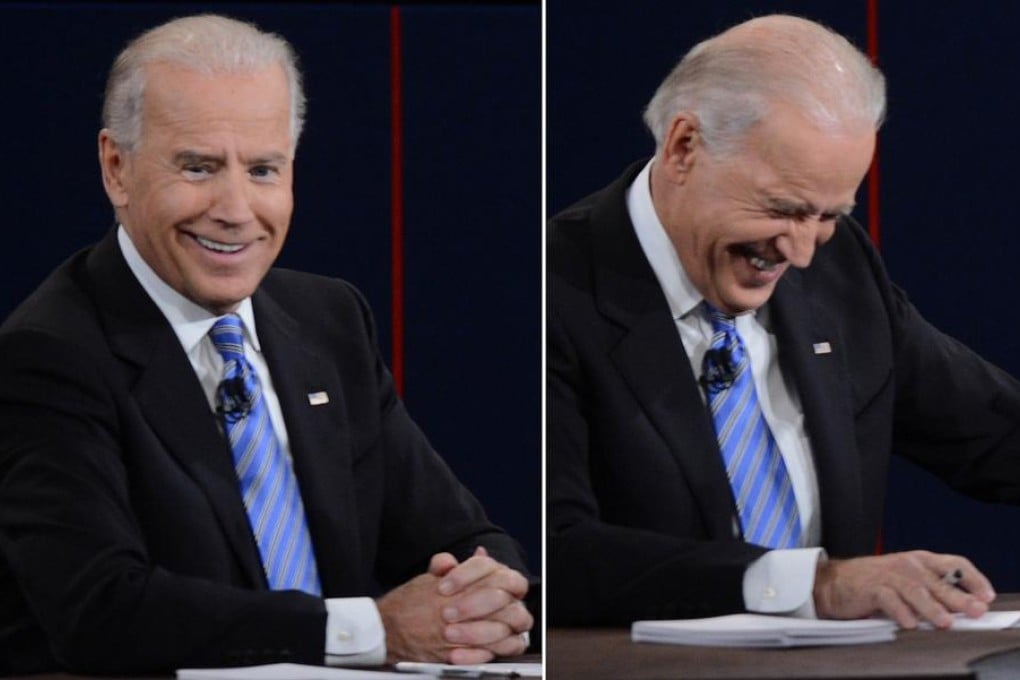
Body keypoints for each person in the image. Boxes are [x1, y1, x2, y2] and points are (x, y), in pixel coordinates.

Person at [0, 14, 533, 675]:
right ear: (117, 169)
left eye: (262, 169)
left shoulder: (329, 319)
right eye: (198, 167)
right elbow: (103, 611)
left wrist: (486, 596)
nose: (235, 208)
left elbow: (465, 539)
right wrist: (370, 630)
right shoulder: (49, 355)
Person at [547, 13, 1020, 630]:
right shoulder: (555, 290)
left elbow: (992, 431)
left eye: (827, 215)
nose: (801, 252)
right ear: (684, 146)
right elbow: (558, 552)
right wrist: (812, 585)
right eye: (783, 209)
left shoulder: (839, 265)